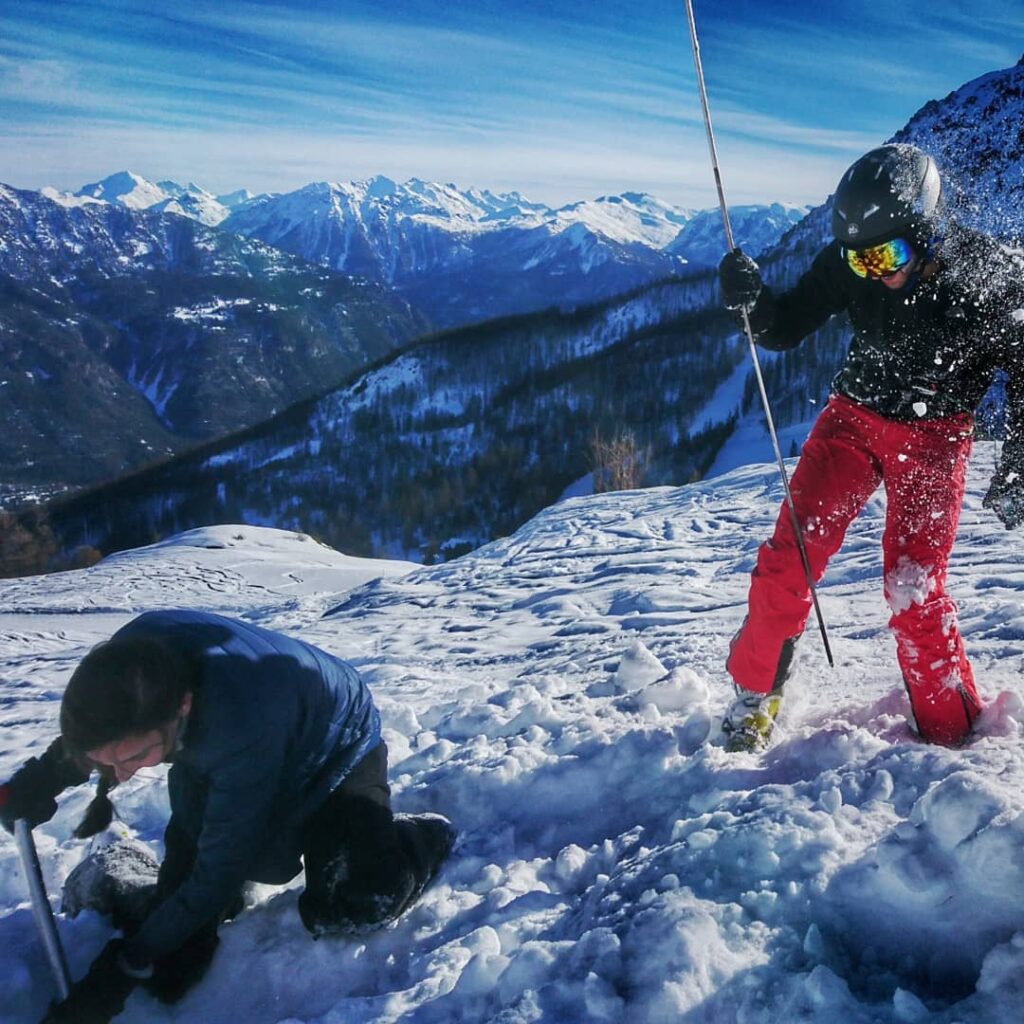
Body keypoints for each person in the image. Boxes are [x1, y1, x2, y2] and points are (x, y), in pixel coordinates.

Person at [716, 143, 1024, 752]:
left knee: (912, 585)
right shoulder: (852, 262)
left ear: (929, 224)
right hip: (850, 423)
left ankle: (950, 735)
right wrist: (750, 306)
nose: (874, 270)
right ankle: (756, 695)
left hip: (933, 441)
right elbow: (784, 325)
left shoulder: (991, 277)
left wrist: (1018, 462)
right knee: (789, 559)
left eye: (889, 254)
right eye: (860, 260)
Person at [0, 609, 456, 1020]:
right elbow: (103, 733)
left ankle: (409, 840)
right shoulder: (128, 667)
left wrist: (123, 965)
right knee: (173, 962)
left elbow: (220, 867)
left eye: (135, 757)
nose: (119, 776)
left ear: (181, 708)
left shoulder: (239, 720)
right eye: (110, 763)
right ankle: (117, 872)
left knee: (354, 898)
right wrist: (41, 779)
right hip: (226, 740)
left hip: (332, 741)